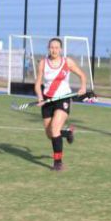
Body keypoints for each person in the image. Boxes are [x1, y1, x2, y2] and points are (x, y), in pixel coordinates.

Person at [34, 38, 87, 171]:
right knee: (49, 133)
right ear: (48, 48)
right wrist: (40, 97)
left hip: (63, 99)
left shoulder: (67, 62)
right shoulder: (43, 63)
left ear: (61, 49)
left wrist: (83, 87)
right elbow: (37, 83)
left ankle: (58, 163)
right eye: (52, 47)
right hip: (47, 100)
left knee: (54, 129)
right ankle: (67, 132)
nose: (54, 50)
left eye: (57, 47)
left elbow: (82, 75)